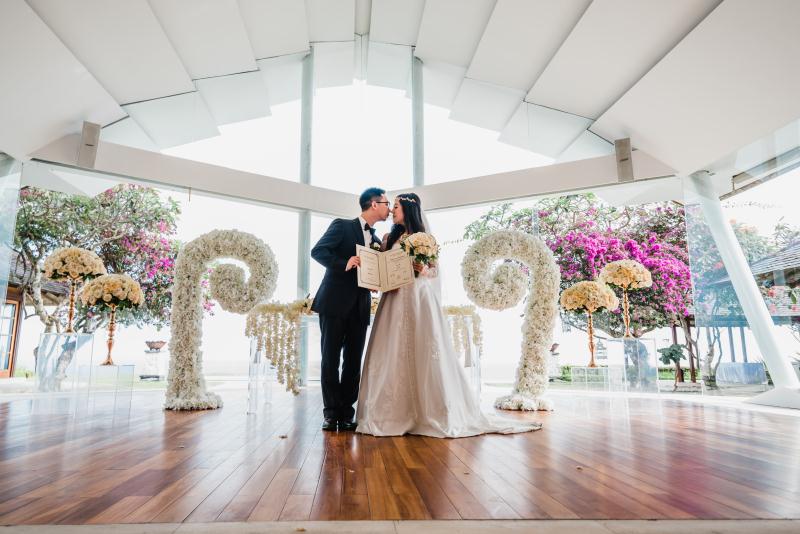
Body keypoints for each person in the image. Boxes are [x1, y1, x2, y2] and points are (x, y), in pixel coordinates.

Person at [356, 193, 542, 437]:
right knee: (390, 348)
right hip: (393, 298)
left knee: (424, 347)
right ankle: (389, 412)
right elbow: (383, 268)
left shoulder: (425, 239)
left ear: (409, 210)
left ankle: (431, 411)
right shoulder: (388, 238)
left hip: (419, 297)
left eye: (397, 206)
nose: (392, 211)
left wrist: (423, 268)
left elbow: (433, 272)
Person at [310, 187, 389, 431]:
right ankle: (330, 414)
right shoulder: (342, 226)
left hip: (360, 307)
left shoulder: (377, 241)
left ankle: (346, 414)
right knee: (330, 360)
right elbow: (318, 251)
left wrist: (375, 282)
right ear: (374, 204)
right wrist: (345, 262)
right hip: (334, 303)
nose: (389, 208)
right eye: (386, 203)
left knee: (353, 363)